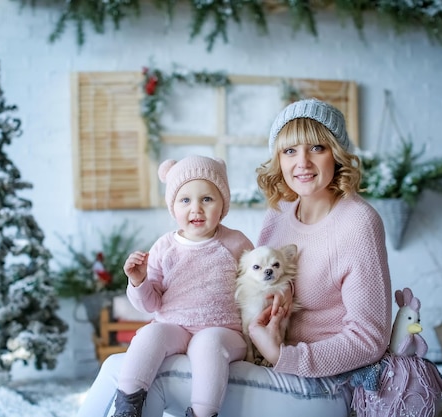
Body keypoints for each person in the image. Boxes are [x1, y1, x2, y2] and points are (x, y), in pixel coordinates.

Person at [76, 99, 392, 417]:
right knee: (139, 366)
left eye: (317, 148)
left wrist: (283, 354)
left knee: (129, 372)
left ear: (336, 152)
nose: (303, 163)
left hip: (324, 382)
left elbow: (370, 338)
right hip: (265, 361)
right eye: (290, 151)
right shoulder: (280, 214)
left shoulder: (358, 222)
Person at [93, 155, 254, 417]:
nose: (196, 209)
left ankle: (202, 413)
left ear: (223, 204)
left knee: (208, 344)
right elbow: (150, 304)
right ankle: (127, 407)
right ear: (173, 206)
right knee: (149, 334)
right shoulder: (164, 247)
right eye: (185, 200)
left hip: (223, 329)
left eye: (207, 199)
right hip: (175, 326)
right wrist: (139, 280)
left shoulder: (236, 243)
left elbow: (255, 287)